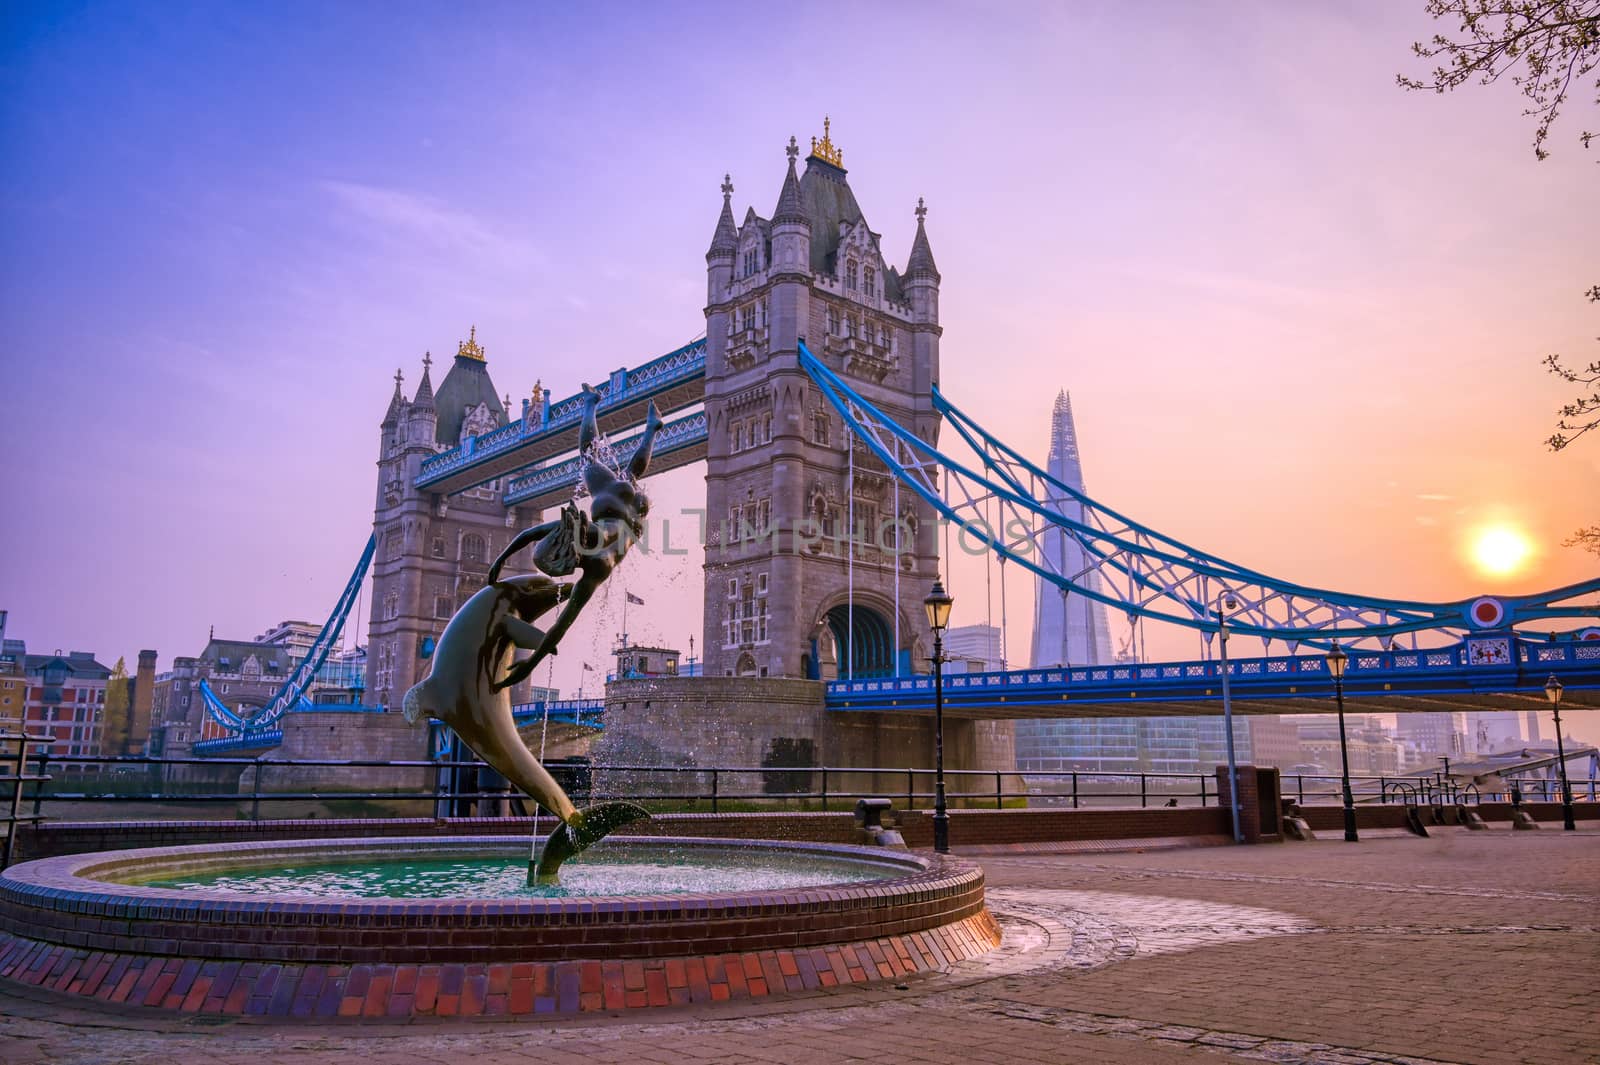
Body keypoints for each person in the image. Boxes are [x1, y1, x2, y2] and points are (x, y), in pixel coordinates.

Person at [489, 383, 661, 688]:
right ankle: (598, 407)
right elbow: (531, 534)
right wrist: (499, 563)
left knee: (622, 470)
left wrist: (532, 663)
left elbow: (560, 627)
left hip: (622, 511)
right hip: (613, 506)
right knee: (594, 459)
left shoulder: (594, 573)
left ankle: (646, 427)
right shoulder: (592, 551)